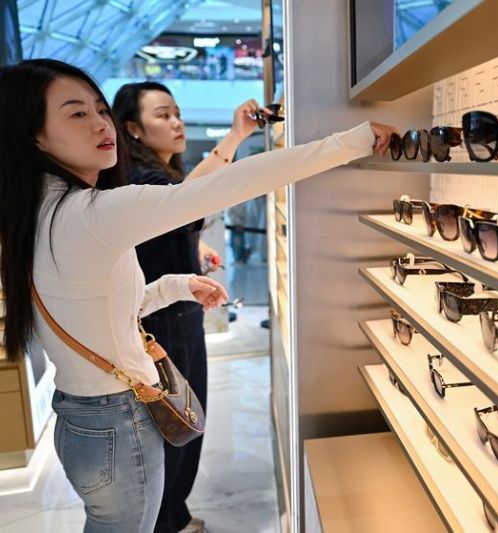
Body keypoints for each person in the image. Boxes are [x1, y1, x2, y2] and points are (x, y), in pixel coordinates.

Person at [0, 58, 393, 533]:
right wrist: (352, 142)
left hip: (80, 419)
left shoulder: (36, 211)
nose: (102, 124)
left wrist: (176, 286)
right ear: (34, 136)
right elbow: (231, 184)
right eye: (77, 113)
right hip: (117, 421)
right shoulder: (91, 212)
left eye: (100, 109)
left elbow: (100, 312)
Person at [111, 82, 263, 533]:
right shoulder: (141, 177)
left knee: (185, 420)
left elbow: (169, 224)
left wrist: (193, 250)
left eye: (176, 113)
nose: (176, 123)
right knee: (178, 423)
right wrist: (235, 137)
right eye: (163, 115)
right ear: (133, 128)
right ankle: (168, 521)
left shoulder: (155, 173)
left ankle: (173, 515)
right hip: (163, 319)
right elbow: (183, 205)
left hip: (176, 313)